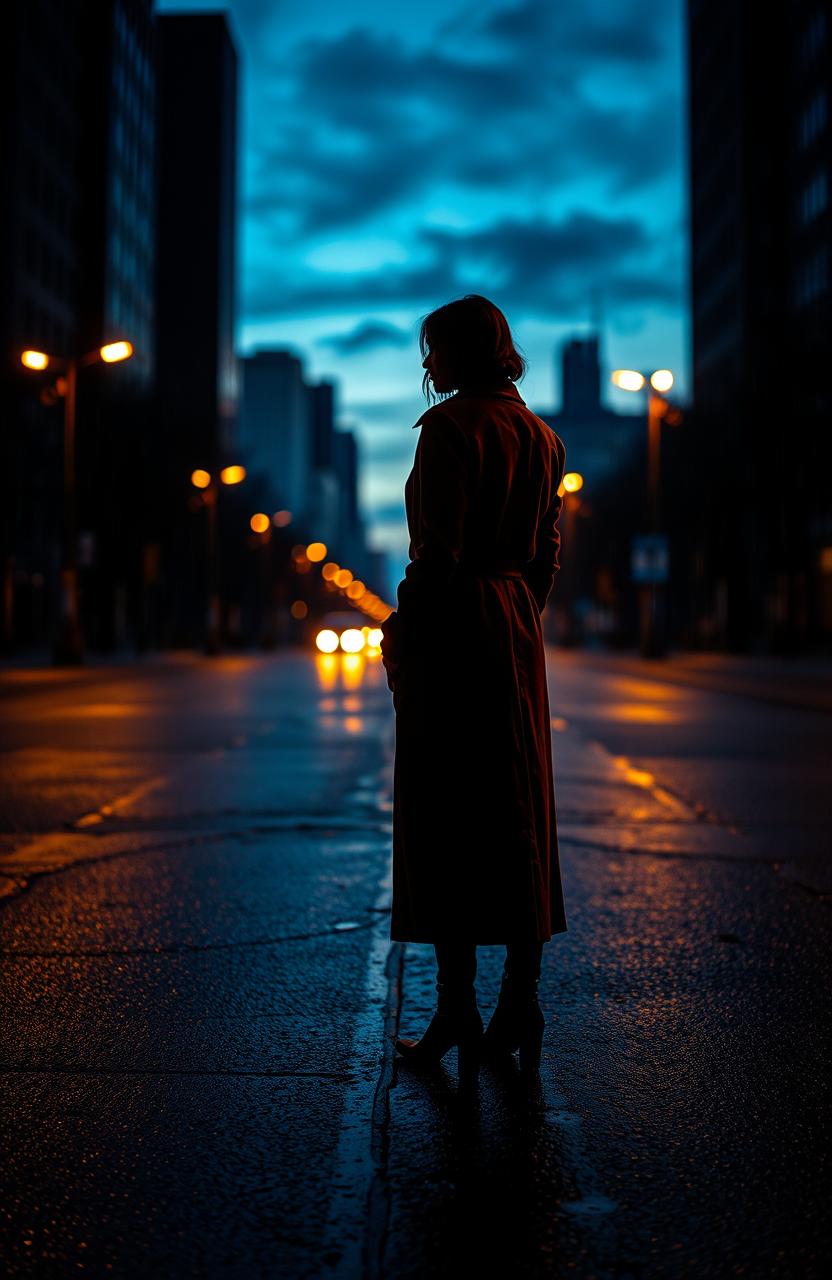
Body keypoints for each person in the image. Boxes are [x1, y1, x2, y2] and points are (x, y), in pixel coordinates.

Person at [380, 295, 567, 1082]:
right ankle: (519, 1002)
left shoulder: (452, 429)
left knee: (446, 807)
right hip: (515, 622)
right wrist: (519, 619)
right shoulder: (543, 435)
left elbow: (436, 555)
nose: (428, 366)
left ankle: (456, 1005)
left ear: (456, 354)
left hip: (458, 624)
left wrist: (405, 633)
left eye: (433, 351)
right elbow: (546, 554)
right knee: (520, 807)